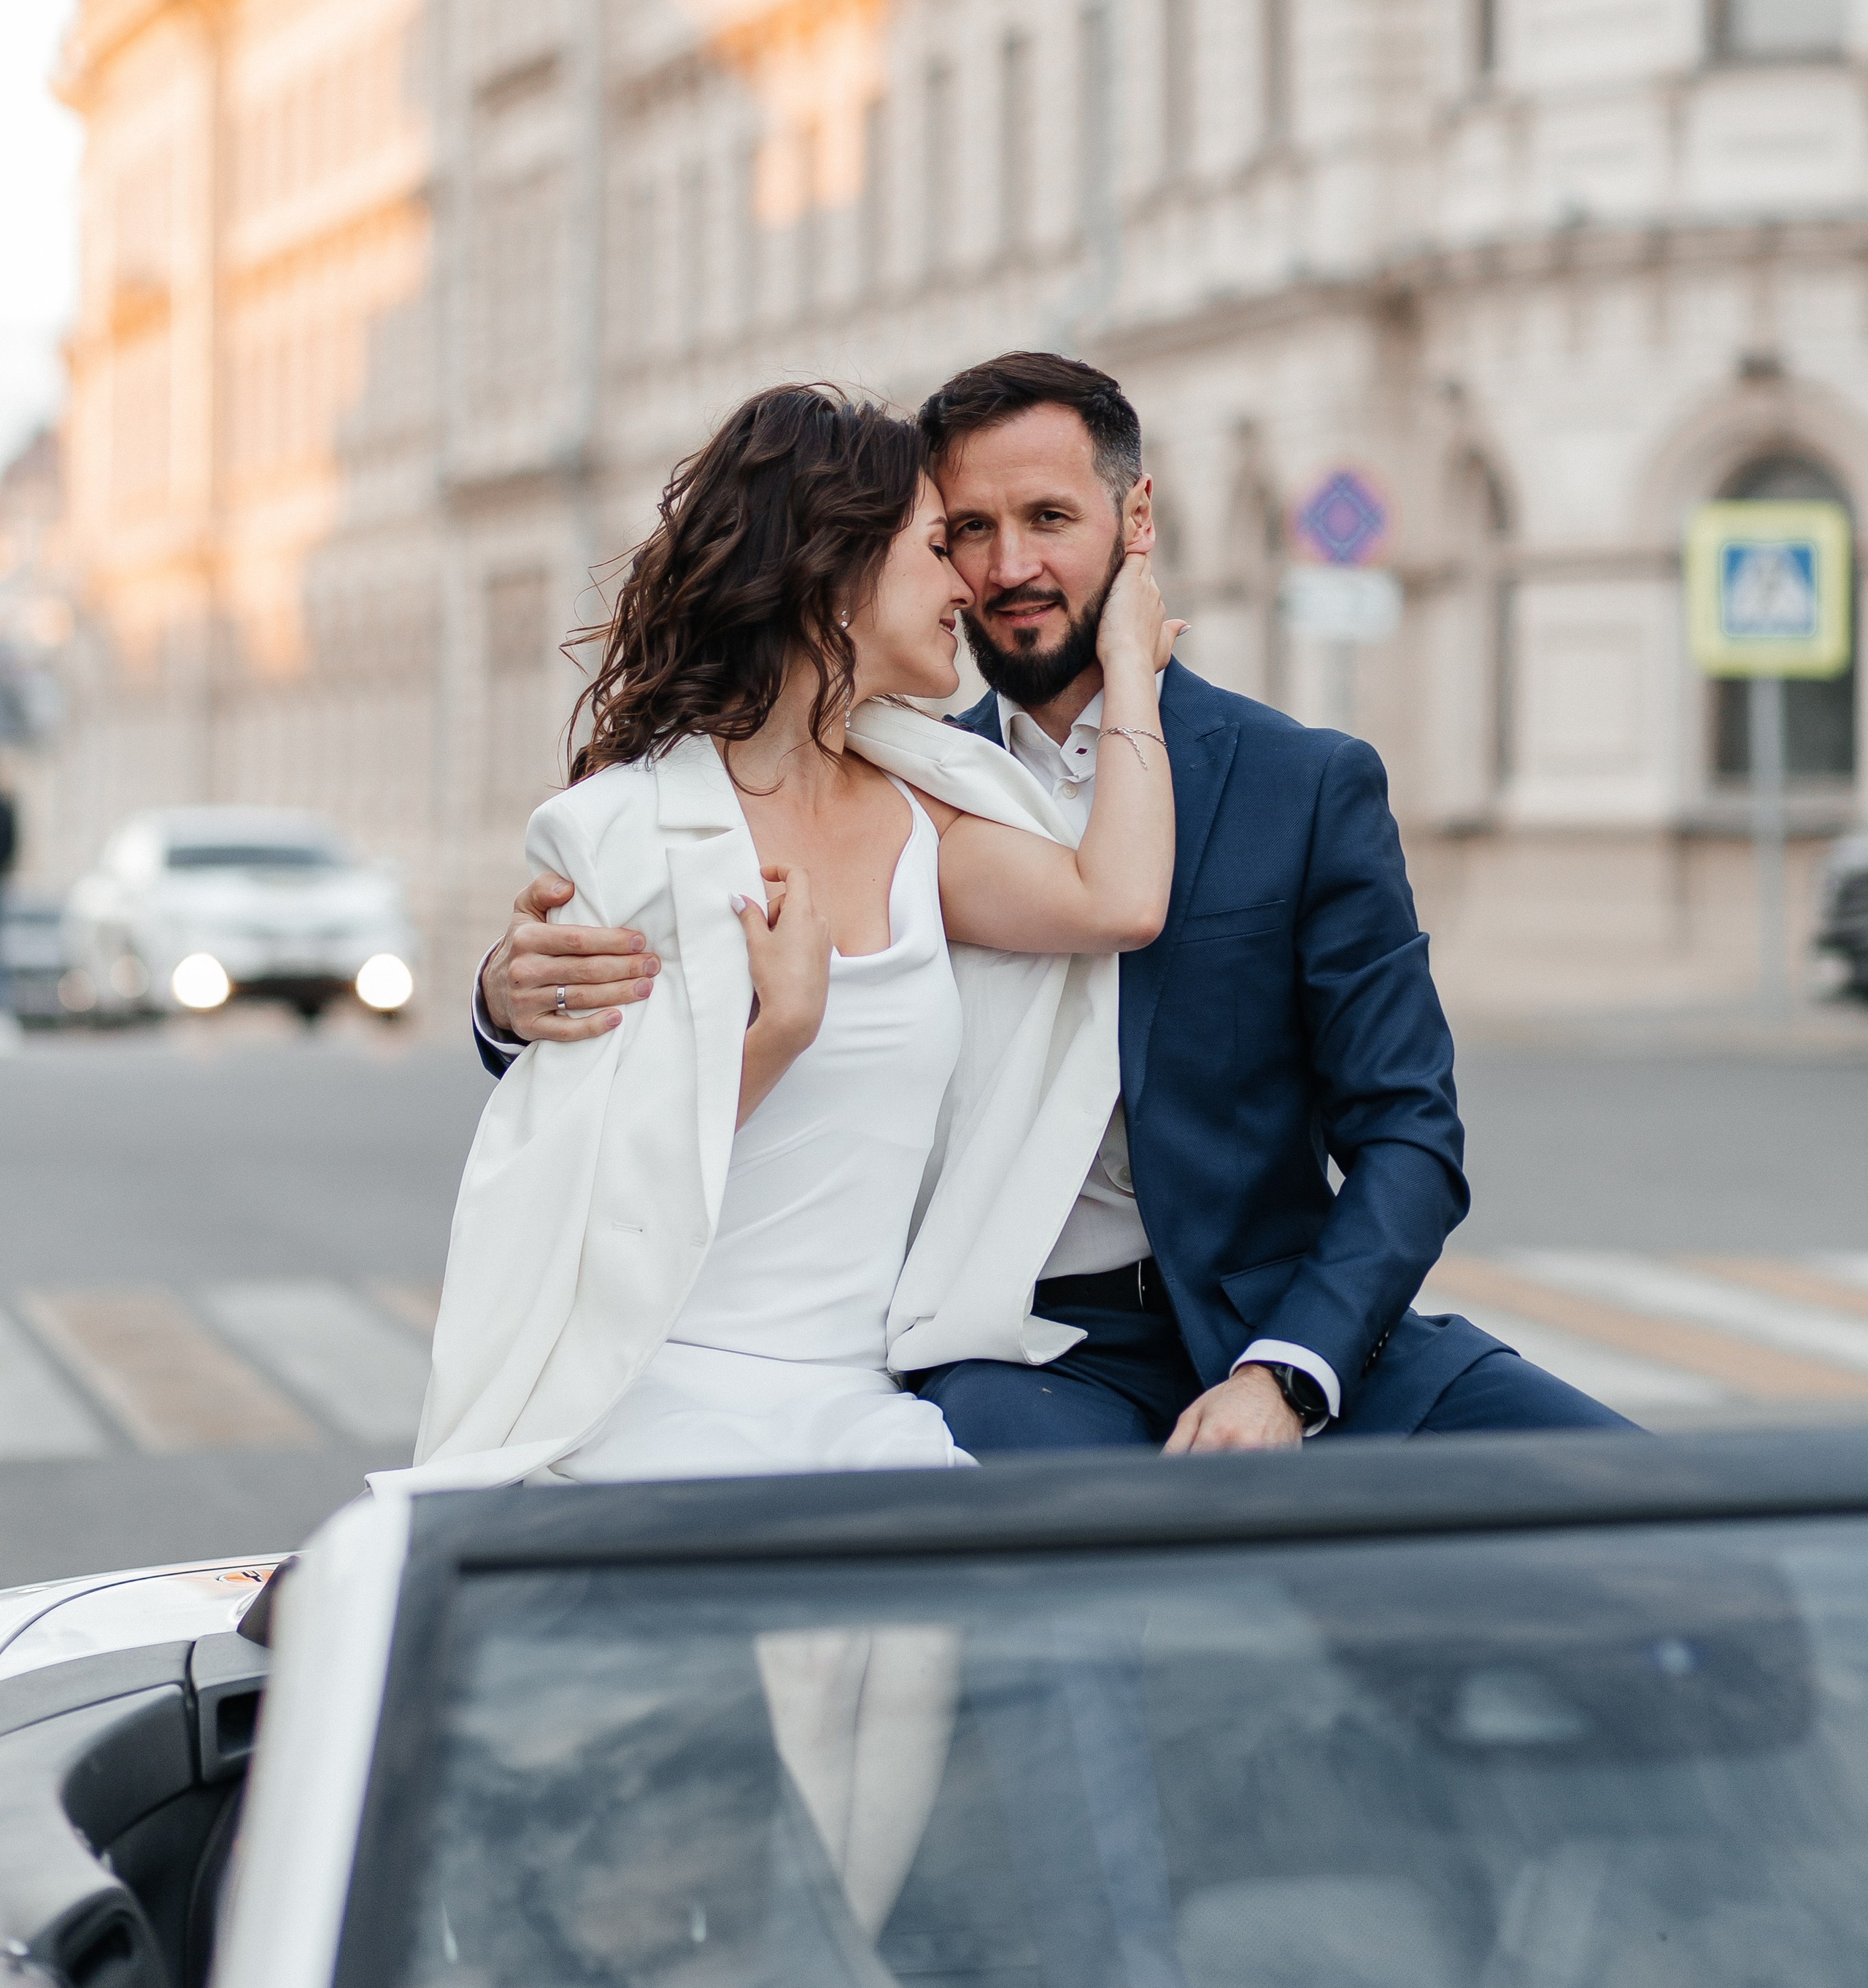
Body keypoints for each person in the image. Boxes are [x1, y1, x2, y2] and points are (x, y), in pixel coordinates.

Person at [481, 352, 1631, 1450]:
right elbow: (650, 1002)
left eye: (1048, 519)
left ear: (1134, 526)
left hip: (1283, 1320)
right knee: (1061, 1614)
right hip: (1023, 1350)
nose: (1005, 567)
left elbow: (1410, 1135)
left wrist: (1288, 1369)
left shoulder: (1305, 784)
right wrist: (505, 996)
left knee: (1664, 1516)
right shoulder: (899, 790)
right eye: (966, 532)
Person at [404, 382, 1177, 1494]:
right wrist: (780, 1033)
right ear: (838, 574)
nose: (969, 579)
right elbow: (588, 1194)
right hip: (655, 1395)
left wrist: (1134, 668)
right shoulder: (628, 831)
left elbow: (1119, 900)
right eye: (933, 544)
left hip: (857, 1403)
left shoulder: (931, 813)